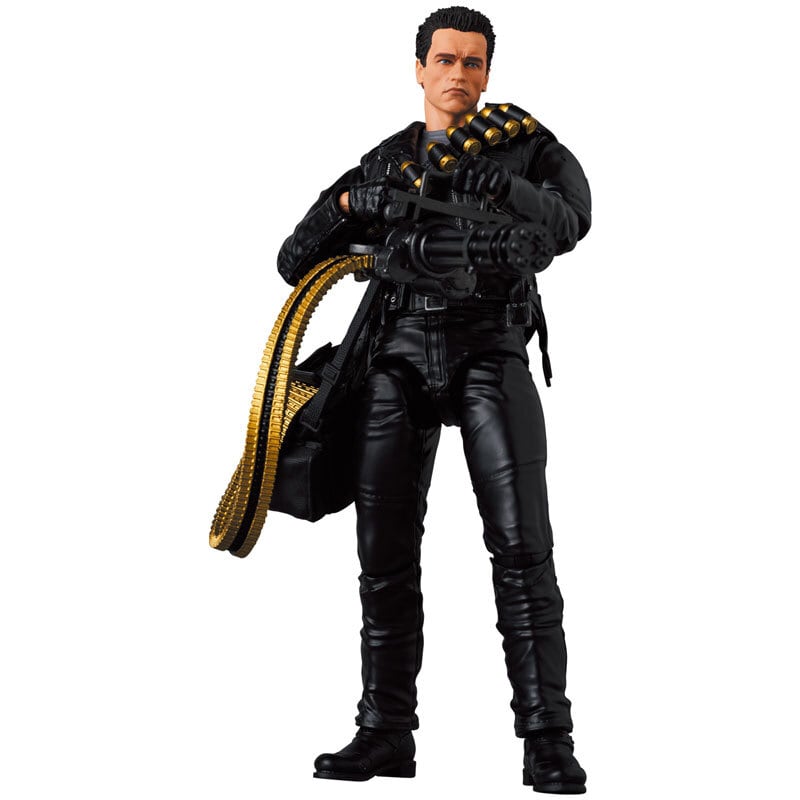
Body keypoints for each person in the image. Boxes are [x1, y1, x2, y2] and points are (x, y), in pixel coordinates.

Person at [276, 6, 591, 794]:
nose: (458, 74)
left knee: (522, 549)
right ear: (419, 68)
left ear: (488, 73)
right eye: (445, 59)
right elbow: (292, 259)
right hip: (397, 355)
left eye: (472, 62)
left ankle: (547, 739)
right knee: (382, 556)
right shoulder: (388, 158)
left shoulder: (526, 144)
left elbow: (571, 222)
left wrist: (511, 188)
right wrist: (353, 207)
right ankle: (385, 732)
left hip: (490, 347)